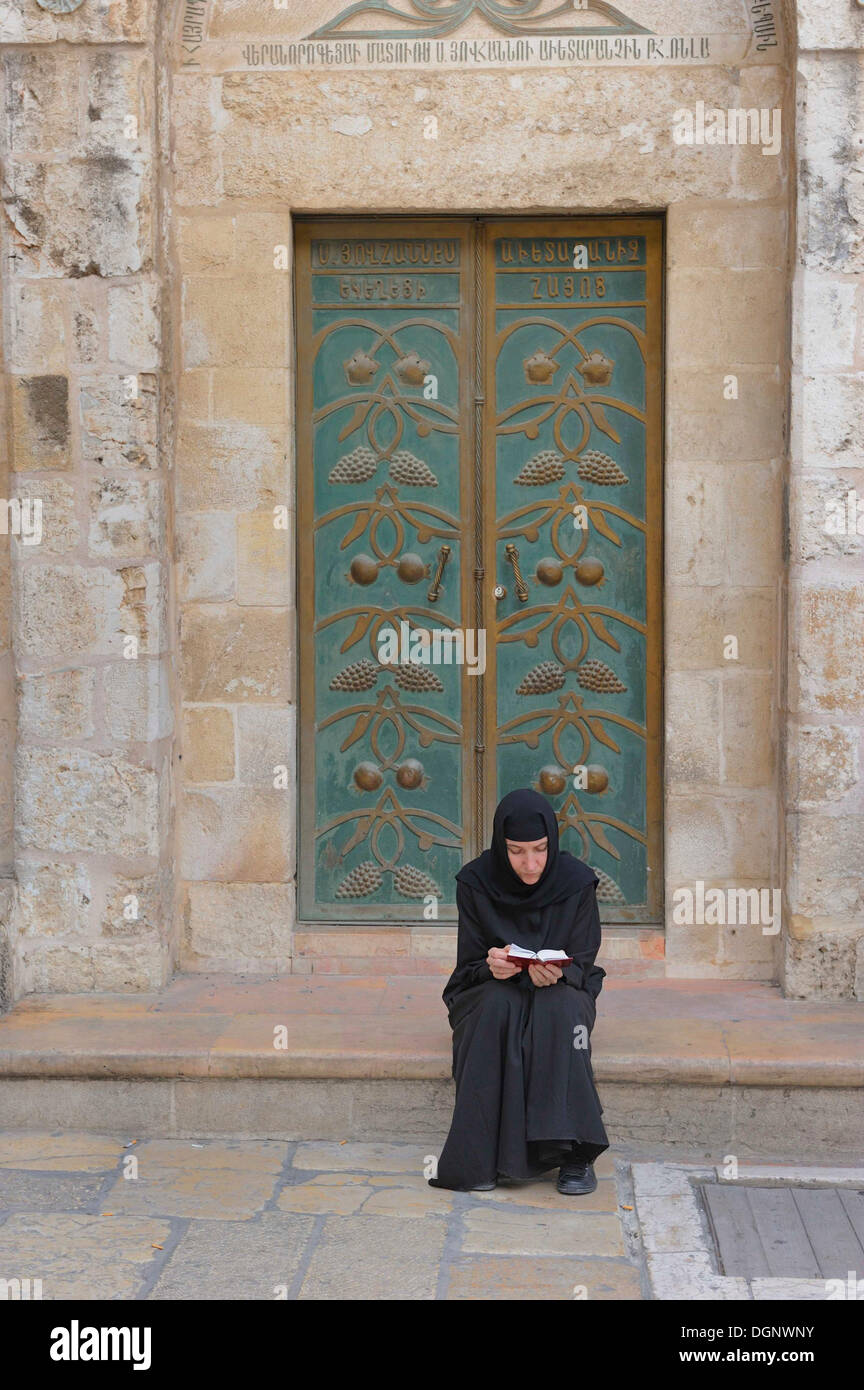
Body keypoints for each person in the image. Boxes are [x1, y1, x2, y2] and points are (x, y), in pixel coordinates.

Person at [428, 786, 609, 1195]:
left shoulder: (578, 883)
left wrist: (560, 974)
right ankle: (482, 1158)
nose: (530, 864)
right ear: (499, 845)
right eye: (516, 851)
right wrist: (493, 966)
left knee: (558, 1010)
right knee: (497, 1006)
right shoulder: (475, 882)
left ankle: (574, 1154)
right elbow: (469, 966)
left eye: (540, 850)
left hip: (562, 990)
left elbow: (583, 962)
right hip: (492, 988)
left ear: (553, 842)